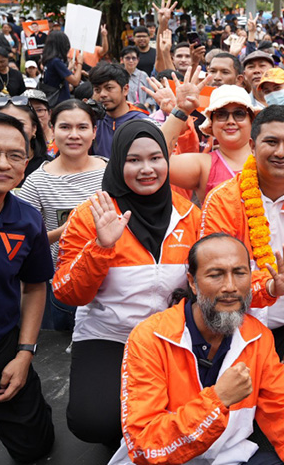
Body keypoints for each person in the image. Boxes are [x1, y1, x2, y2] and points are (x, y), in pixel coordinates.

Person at [110, 233, 284, 465]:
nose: (230, 287)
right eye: (216, 275)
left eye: (239, 273)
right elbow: (143, 446)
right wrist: (217, 400)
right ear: (192, 282)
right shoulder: (149, 337)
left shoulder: (258, 337)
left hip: (228, 458)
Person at [52, 119, 202, 447]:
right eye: (134, 160)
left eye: (155, 158)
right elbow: (66, 293)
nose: (146, 169)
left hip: (171, 337)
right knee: (96, 422)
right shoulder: (91, 215)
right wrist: (101, 248)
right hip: (109, 335)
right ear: (119, 162)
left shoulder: (189, 216)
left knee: (188, 415)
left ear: (167, 160)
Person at [199, 105, 284, 433]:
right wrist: (270, 288)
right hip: (235, 327)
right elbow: (216, 282)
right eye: (271, 142)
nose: (281, 152)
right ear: (253, 146)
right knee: (230, 423)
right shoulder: (223, 202)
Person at [0, 112, 55, 462]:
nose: (2, 164)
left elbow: (35, 285)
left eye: (15, 155)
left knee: (36, 446)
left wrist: (24, 353)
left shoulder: (26, 219)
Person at [18, 99, 107, 330]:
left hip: (113, 282)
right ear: (52, 130)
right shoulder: (37, 182)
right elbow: (23, 240)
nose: (74, 135)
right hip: (65, 285)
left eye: (82, 127)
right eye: (65, 127)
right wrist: (72, 227)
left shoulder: (112, 173)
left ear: (94, 132)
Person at [162, 82, 255, 203]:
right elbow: (156, 162)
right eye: (221, 115)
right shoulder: (203, 165)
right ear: (212, 124)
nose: (230, 121)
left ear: (251, 121)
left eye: (239, 114)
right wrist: (180, 111)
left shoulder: (268, 158)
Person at [89, 62, 149, 158]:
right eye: (97, 90)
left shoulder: (144, 123)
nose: (102, 94)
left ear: (125, 89)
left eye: (109, 88)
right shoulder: (91, 122)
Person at [39, 31, 83, 106]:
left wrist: (68, 69)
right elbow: (75, 81)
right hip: (60, 101)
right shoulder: (56, 61)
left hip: (52, 99)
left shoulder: (48, 60)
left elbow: (55, 76)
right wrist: (79, 63)